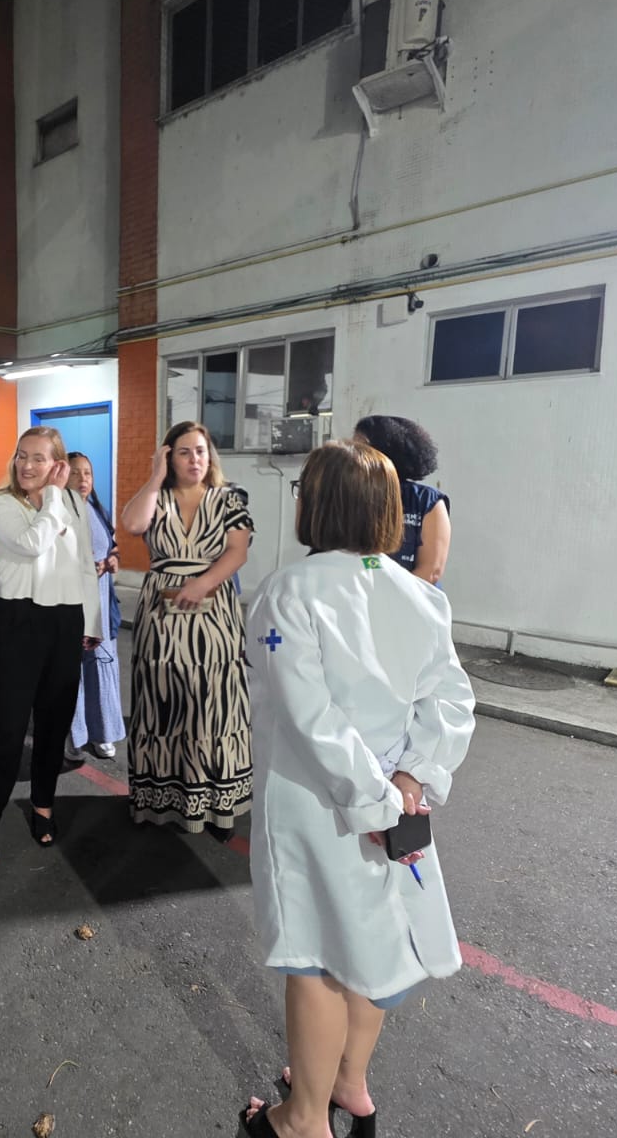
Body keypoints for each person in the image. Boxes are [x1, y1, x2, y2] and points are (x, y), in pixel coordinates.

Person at [239, 441, 475, 1138]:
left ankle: (302, 1119)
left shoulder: (289, 591)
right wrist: (410, 779)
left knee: (316, 958)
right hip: (398, 807)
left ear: (315, 505)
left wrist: (372, 798)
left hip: (317, 806)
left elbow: (309, 717)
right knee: (373, 942)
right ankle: (349, 1083)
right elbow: (451, 701)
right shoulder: (419, 596)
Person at [0, 426, 101, 869]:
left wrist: (91, 621)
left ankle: (43, 806)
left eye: (38, 458)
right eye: (21, 455)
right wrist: (54, 499)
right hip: (19, 620)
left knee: (54, 723)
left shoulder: (75, 503)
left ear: (57, 464)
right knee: (8, 730)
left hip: (65, 619)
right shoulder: (2, 501)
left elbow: (84, 565)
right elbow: (32, 544)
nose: (26, 465)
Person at [119, 421, 253, 835]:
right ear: (168, 457)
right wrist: (154, 477)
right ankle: (162, 802)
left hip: (214, 617)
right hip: (161, 617)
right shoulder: (156, 497)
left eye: (200, 450)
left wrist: (201, 584)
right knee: (163, 704)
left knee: (213, 706)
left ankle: (217, 806)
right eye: (183, 452)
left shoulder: (230, 498)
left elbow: (237, 552)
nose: (195, 459)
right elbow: (132, 525)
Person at [64, 451, 124, 762]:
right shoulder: (57, 514)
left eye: (87, 473)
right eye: (75, 472)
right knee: (72, 673)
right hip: (71, 606)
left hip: (100, 604)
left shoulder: (98, 509)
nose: (83, 478)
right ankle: (75, 736)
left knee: (100, 668)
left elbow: (113, 547)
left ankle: (103, 733)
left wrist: (113, 560)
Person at [352, 415, 451, 584]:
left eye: (361, 448)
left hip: (413, 596)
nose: (352, 455)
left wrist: (389, 595)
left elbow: (431, 570)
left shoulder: (427, 501)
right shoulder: (349, 495)